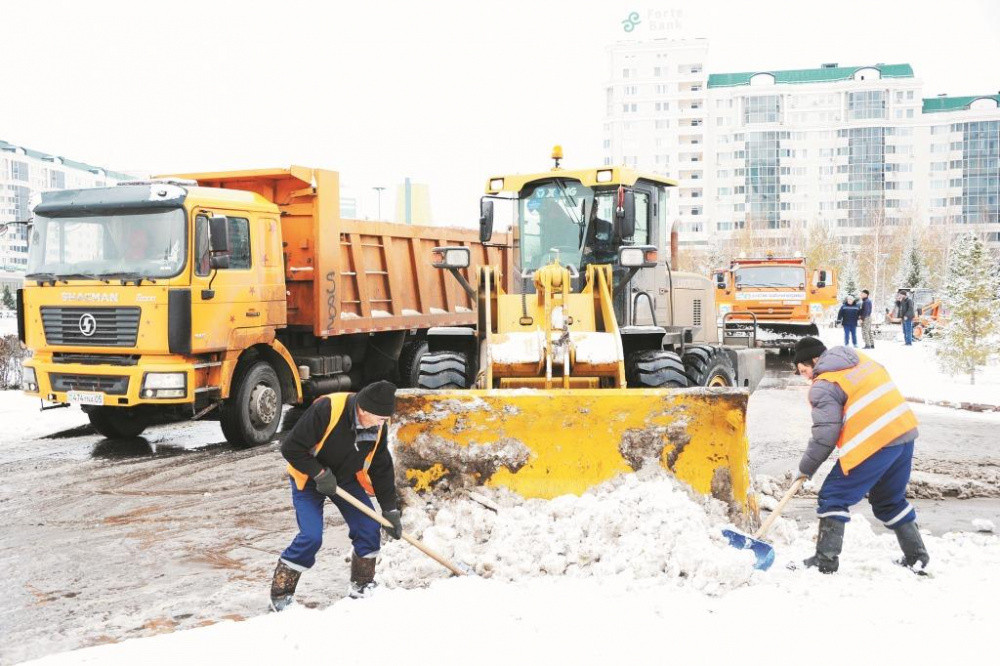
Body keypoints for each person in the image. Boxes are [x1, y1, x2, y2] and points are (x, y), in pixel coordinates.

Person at [792, 337, 928, 574]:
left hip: (874, 442)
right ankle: (916, 557)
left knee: (833, 495)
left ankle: (825, 561)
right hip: (903, 433)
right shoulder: (861, 360)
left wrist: (805, 468)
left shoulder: (824, 384)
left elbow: (825, 436)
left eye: (804, 370)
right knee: (889, 501)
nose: (806, 377)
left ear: (815, 359)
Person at [269, 381, 402, 611]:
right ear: (364, 410)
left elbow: (381, 467)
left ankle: (362, 585)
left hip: (345, 479)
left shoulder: (377, 426)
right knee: (311, 537)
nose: (384, 424)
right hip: (308, 478)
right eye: (381, 418)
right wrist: (319, 473)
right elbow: (290, 448)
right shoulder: (328, 409)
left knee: (369, 528)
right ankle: (281, 594)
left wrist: (389, 509)